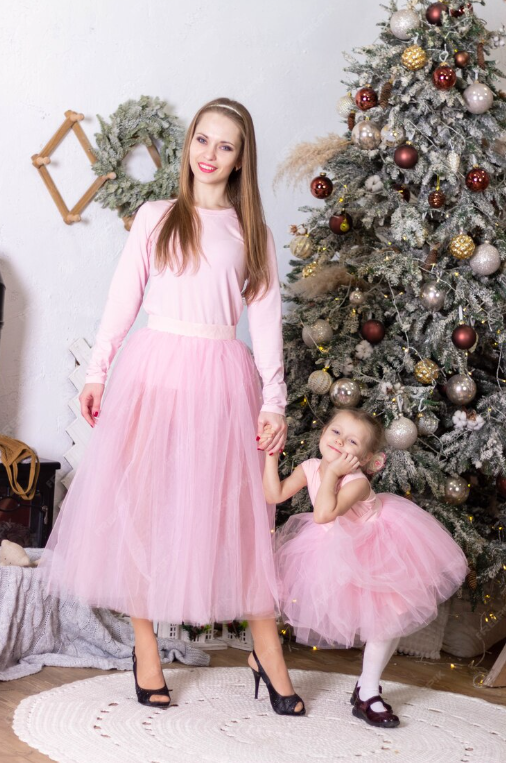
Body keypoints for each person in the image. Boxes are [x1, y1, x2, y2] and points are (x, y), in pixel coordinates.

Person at [39, 97, 304, 716]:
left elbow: (265, 324)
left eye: (226, 146)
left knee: (233, 517)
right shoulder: (157, 217)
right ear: (189, 146)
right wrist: (97, 371)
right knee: (146, 508)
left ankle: (266, 656)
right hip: (153, 374)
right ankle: (144, 642)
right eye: (202, 141)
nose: (209, 155)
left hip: (220, 380)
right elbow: (121, 302)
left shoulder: (250, 231)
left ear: (241, 161)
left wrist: (274, 400)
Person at [262, 408, 468, 727]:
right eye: (335, 432)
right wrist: (271, 455)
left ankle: (367, 689)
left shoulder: (355, 482)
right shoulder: (310, 467)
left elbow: (324, 514)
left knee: (388, 620)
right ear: (323, 432)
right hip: (338, 549)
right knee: (382, 622)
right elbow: (273, 493)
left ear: (365, 456)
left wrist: (331, 474)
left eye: (352, 441)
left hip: (378, 546)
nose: (341, 442)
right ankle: (366, 689)